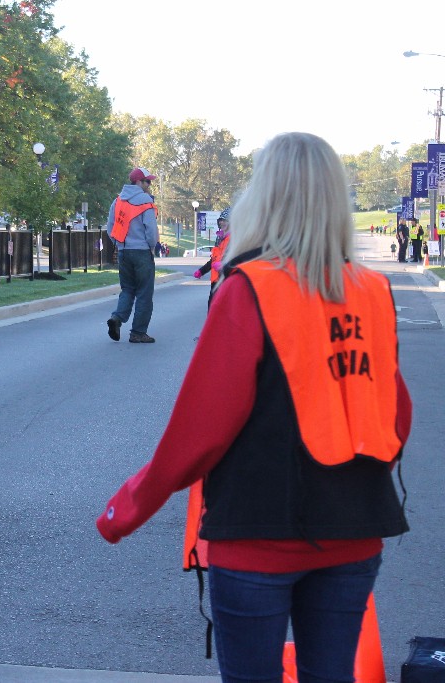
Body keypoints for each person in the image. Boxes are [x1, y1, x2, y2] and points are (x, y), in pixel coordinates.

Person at [96, 132, 411, 683]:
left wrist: (130, 507)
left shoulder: (249, 289)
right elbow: (395, 416)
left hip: (257, 532)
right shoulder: (370, 291)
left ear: (261, 199)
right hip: (354, 525)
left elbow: (199, 431)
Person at [105, 167, 159, 343]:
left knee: (127, 289)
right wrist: (152, 247)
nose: (149, 185)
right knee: (144, 293)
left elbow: (110, 228)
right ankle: (138, 332)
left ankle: (117, 318)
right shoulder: (145, 201)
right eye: (147, 181)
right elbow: (151, 230)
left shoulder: (118, 200)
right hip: (142, 252)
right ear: (139, 182)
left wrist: (119, 244)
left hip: (123, 252)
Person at [193, 208, 231, 307]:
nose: (222, 222)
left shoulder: (234, 238)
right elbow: (213, 260)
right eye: (221, 220)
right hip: (215, 281)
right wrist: (201, 271)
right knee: (212, 307)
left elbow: (236, 259)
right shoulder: (219, 238)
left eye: (225, 220)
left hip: (226, 280)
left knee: (222, 309)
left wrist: (224, 266)